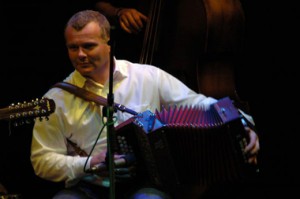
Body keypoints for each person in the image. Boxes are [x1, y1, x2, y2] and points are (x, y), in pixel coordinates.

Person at [30, 10, 260, 199]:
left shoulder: (149, 77)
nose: (80, 55)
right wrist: (88, 164)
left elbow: (200, 103)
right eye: (73, 47)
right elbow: (42, 160)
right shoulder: (55, 99)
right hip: (88, 188)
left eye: (88, 46)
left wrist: (242, 123)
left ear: (109, 44)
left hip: (148, 184)